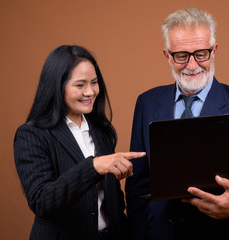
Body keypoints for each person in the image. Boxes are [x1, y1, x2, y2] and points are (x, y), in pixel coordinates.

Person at [125, 8, 229, 240]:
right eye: (181, 55)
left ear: (215, 51)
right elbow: (137, 185)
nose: (192, 65)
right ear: (167, 55)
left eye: (201, 53)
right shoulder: (147, 102)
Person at [14, 45, 145, 240]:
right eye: (80, 85)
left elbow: (114, 202)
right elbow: (42, 201)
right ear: (57, 86)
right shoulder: (31, 134)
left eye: (94, 82)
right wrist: (93, 167)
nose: (90, 92)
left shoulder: (101, 130)